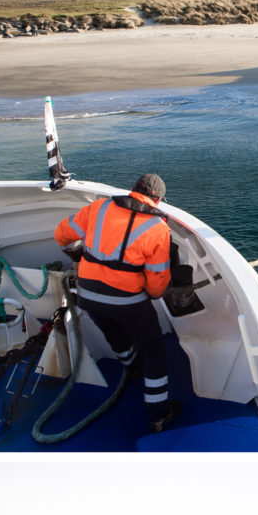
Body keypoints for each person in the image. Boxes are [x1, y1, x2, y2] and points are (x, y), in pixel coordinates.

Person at [54, 172, 181, 432]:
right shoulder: (158, 228)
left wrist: (79, 253)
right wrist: (150, 292)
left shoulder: (99, 208)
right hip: (128, 301)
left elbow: (62, 235)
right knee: (154, 349)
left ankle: (131, 367)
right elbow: (157, 284)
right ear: (157, 200)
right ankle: (158, 414)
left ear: (132, 189)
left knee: (114, 332)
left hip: (87, 294)